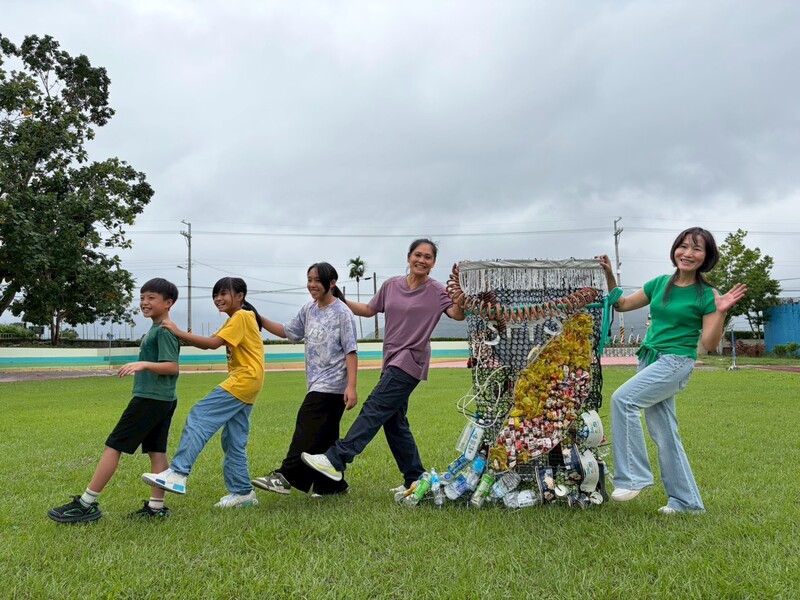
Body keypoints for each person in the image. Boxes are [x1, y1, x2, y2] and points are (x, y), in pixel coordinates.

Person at [597, 227, 747, 514]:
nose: (688, 253)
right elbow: (622, 304)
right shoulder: (659, 284)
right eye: (684, 246)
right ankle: (687, 502)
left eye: (697, 249)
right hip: (650, 360)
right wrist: (609, 275)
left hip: (675, 362)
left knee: (623, 399)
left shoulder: (708, 295)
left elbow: (709, 344)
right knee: (665, 433)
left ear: (706, 257)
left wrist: (722, 312)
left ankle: (633, 478)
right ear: (675, 249)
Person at [301, 238, 465, 493]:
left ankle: (336, 459)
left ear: (433, 263)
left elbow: (457, 314)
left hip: (411, 360)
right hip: (391, 360)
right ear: (409, 257)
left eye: (428, 257)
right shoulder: (391, 285)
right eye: (418, 255)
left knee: (375, 409)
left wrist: (463, 297)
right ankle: (415, 478)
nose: (422, 260)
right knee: (394, 422)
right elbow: (368, 309)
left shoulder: (436, 291)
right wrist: (338, 298)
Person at [48, 278, 181, 523]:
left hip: (150, 399)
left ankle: (86, 504)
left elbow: (171, 366)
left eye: (151, 298)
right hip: (161, 399)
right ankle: (156, 508)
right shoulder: (158, 327)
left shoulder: (164, 330)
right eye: (142, 297)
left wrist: (143, 364)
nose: (144, 302)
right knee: (156, 450)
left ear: (168, 302)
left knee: (114, 446)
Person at [142, 277, 266, 509]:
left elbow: (212, 343)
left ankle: (178, 473)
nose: (218, 299)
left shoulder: (240, 316)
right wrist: (181, 334)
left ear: (239, 297)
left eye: (224, 294)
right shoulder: (240, 318)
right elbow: (209, 342)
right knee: (234, 440)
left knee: (200, 415)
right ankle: (243, 493)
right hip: (252, 382)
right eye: (215, 295)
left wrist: (177, 331)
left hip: (244, 380)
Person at [251, 262, 358, 497]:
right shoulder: (309, 310)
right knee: (324, 436)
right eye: (309, 279)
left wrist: (351, 386)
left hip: (333, 384)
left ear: (331, 283)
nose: (312, 285)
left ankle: (285, 477)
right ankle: (331, 486)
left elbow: (351, 351)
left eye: (317, 280)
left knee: (307, 426)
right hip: (315, 381)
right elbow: (287, 331)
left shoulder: (343, 313)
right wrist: (257, 318)